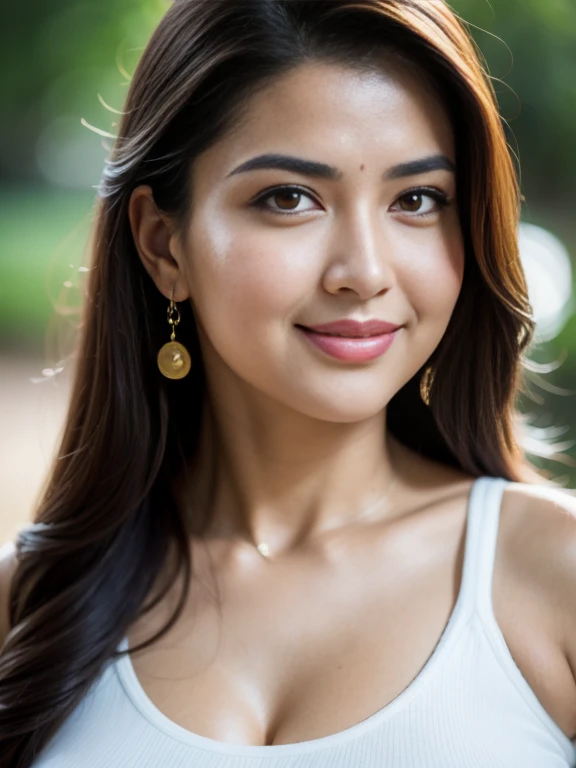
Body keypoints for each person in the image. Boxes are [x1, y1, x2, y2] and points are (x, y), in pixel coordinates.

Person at [1, 0, 576, 765]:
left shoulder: (554, 573)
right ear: (163, 244)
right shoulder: (28, 606)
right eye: (289, 198)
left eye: (416, 200)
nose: (365, 273)